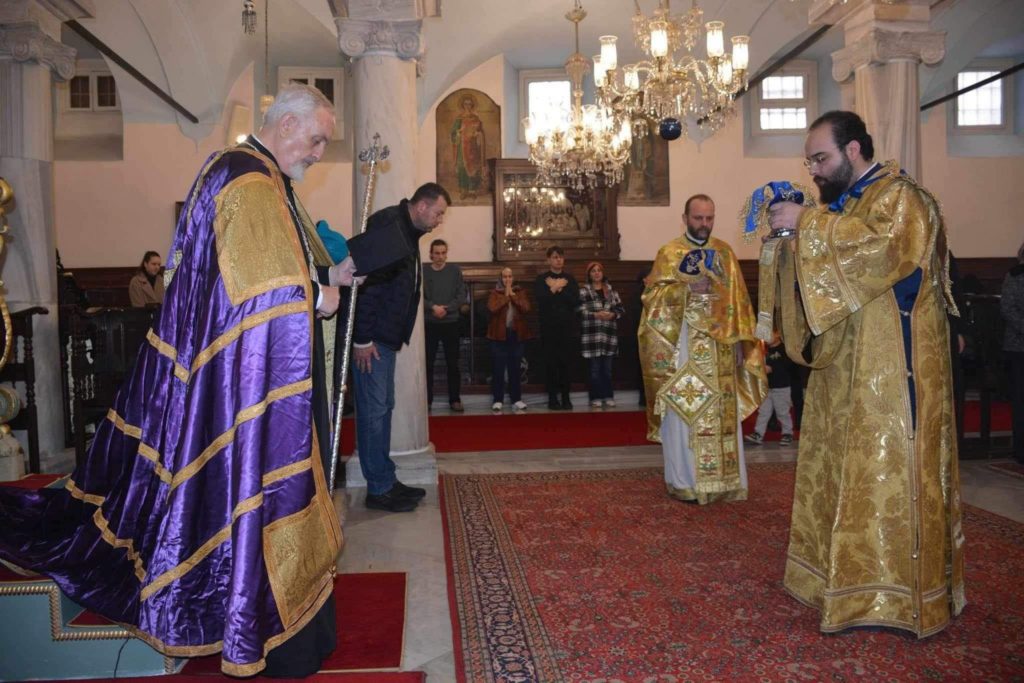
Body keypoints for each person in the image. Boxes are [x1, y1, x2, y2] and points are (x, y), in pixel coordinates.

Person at [0, 83, 369, 677]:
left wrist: (327, 273)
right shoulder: (248, 179)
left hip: (235, 369)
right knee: (257, 489)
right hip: (244, 380)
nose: (320, 151)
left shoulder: (254, 175)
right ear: (287, 123)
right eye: (318, 138)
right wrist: (318, 295)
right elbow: (258, 294)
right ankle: (258, 622)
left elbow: (260, 271)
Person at [768, 110, 965, 637]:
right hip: (843, 374)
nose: (813, 169)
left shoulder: (902, 198)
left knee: (883, 477)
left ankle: (893, 596)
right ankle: (836, 580)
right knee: (839, 473)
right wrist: (787, 244)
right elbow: (829, 272)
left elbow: (880, 251)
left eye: (821, 157)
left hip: (891, 377)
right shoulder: (846, 205)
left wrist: (805, 224)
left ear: (854, 150)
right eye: (809, 159)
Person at [639, 194, 767, 505]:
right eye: (698, 219)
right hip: (683, 348)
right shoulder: (669, 253)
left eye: (709, 218)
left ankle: (724, 482)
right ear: (685, 218)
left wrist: (741, 343)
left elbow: (740, 303)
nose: (704, 225)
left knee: (723, 414)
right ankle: (685, 482)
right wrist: (684, 289)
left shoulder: (724, 252)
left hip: (720, 350)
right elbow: (651, 300)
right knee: (687, 412)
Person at [352, 182, 450, 513]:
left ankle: (386, 480)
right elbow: (367, 282)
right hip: (373, 339)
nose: (438, 221)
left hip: (385, 337)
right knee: (373, 410)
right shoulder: (388, 225)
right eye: (437, 213)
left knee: (383, 407)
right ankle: (378, 488)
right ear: (421, 206)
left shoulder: (406, 230)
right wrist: (361, 338)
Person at [423, 238, 466, 412]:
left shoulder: (455, 270)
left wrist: (446, 309)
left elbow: (461, 295)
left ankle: (455, 399)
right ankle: (426, 400)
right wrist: (432, 307)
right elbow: (418, 295)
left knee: (453, 363)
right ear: (431, 254)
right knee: (428, 364)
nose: (440, 256)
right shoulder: (424, 271)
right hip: (430, 322)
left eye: (443, 253)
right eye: (437, 253)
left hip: (451, 322)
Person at [534, 245, 579, 410]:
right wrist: (553, 288)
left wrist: (559, 288)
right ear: (548, 260)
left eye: (560, 257)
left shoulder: (570, 279)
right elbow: (541, 299)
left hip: (567, 328)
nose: (558, 259)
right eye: (554, 257)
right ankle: (553, 398)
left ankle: (566, 398)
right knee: (551, 363)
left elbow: (575, 301)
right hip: (548, 328)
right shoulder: (541, 279)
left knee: (566, 363)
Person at [578, 261, 624, 408]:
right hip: (592, 336)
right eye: (593, 271)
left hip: (608, 336)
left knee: (608, 370)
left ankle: (608, 396)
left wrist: (612, 315)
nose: (597, 273)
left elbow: (621, 310)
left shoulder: (611, 291)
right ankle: (595, 397)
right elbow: (579, 311)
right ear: (589, 275)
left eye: (599, 270)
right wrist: (596, 315)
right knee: (594, 370)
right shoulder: (584, 291)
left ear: (602, 273)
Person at [487, 267, 531, 412]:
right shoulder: (495, 293)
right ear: (501, 278)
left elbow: (526, 308)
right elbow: (492, 309)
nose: (507, 279)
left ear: (513, 278)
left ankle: (516, 399)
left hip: (516, 335)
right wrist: (506, 296)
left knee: (515, 368)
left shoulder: (520, 292)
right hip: (499, 335)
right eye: (505, 277)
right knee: (498, 368)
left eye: (510, 276)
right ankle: (497, 400)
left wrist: (513, 296)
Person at [744, 328, 795, 446]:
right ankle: (758, 433)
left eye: (769, 334)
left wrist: (773, 369)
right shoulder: (764, 350)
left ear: (777, 334)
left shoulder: (785, 350)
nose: (766, 337)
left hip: (781, 387)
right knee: (763, 411)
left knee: (782, 412)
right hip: (767, 387)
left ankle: (787, 433)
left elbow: (787, 366)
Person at [1001, 240, 1024, 465]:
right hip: (1019, 346)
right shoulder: (1015, 276)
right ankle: (1021, 449)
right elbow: (1007, 308)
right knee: (1020, 399)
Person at [450, 94, 486, 199]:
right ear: (463, 105)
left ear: (472, 105)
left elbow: (481, 132)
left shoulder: (476, 119)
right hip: (462, 147)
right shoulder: (459, 119)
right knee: (462, 168)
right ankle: (463, 190)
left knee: (474, 168)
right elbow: (453, 133)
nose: (468, 106)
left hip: (474, 147)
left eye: (470, 104)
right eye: (466, 104)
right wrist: (458, 132)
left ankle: (472, 190)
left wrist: (478, 135)